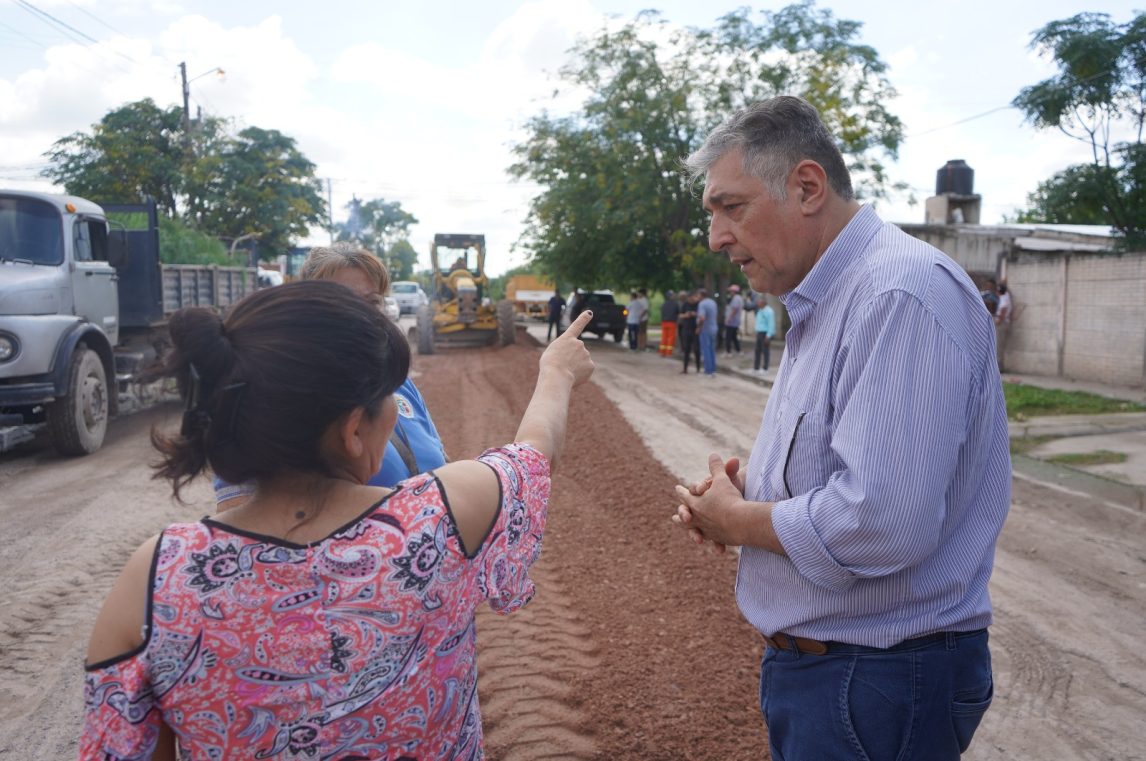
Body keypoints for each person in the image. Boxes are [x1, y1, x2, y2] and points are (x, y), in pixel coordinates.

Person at [79, 280, 597, 759]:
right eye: (390, 396)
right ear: (353, 431)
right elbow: (536, 453)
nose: (396, 409)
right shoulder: (443, 518)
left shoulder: (155, 580)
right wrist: (557, 371)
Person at [673, 96, 1009, 760]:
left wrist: (741, 522)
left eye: (731, 207)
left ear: (806, 187)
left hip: (876, 678)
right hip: (853, 675)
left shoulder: (896, 294)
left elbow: (881, 520)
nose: (715, 237)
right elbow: (847, 470)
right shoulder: (829, 297)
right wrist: (750, 493)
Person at [214, 243, 446, 510]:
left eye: (373, 301)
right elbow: (240, 515)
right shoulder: (275, 398)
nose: (364, 315)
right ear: (308, 311)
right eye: (345, 302)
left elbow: (441, 461)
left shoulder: (402, 386)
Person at [678, 291, 701, 374]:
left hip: (695, 329)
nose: (690, 300)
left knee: (697, 349)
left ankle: (698, 368)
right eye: (689, 299)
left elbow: (702, 315)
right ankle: (685, 369)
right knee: (686, 349)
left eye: (692, 298)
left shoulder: (698, 304)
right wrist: (685, 315)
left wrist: (695, 314)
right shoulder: (685, 304)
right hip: (686, 328)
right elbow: (680, 315)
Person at [696, 287, 718, 375]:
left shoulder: (702, 304)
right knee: (712, 349)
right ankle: (713, 369)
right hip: (714, 328)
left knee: (705, 350)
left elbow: (702, 318)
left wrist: (698, 327)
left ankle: (707, 370)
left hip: (705, 329)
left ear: (701, 295)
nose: (697, 296)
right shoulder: (713, 302)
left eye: (698, 295)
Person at [753, 295, 775, 374]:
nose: (757, 303)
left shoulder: (769, 311)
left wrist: (768, 336)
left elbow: (771, 324)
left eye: (759, 302)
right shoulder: (760, 310)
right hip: (759, 332)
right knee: (757, 351)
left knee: (765, 351)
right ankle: (756, 368)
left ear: (763, 302)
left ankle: (765, 368)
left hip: (765, 334)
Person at [995, 283, 1013, 372]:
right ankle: (999, 367)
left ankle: (999, 368)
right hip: (1004, 323)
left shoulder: (1003, 299)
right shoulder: (1006, 296)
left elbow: (1003, 311)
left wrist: (998, 322)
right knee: (999, 346)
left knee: (998, 346)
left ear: (999, 291)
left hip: (1002, 324)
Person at [723, 284, 744, 356]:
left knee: (728, 337)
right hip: (735, 321)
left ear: (734, 291)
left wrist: (729, 318)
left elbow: (734, 310)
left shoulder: (736, 299)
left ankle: (728, 352)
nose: (730, 292)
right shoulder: (738, 298)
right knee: (734, 337)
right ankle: (739, 351)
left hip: (732, 322)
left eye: (731, 291)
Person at [659, 290, 680, 357]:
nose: (674, 296)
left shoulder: (664, 304)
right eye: (673, 295)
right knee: (671, 338)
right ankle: (669, 352)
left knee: (664, 337)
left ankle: (662, 352)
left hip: (664, 322)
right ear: (670, 296)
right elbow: (678, 313)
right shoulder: (675, 304)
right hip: (672, 322)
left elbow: (662, 312)